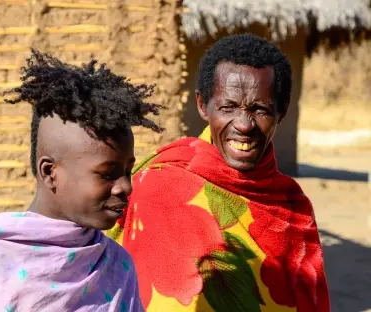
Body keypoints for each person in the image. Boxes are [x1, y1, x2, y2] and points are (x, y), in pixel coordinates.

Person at [0, 49, 164, 312]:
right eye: (107, 173)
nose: (125, 187)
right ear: (50, 172)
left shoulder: (118, 267)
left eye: (128, 171)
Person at [107, 33, 330, 311]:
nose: (244, 125)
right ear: (203, 106)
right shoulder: (157, 185)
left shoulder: (290, 204)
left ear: (281, 112)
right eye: (228, 107)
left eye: (260, 109)